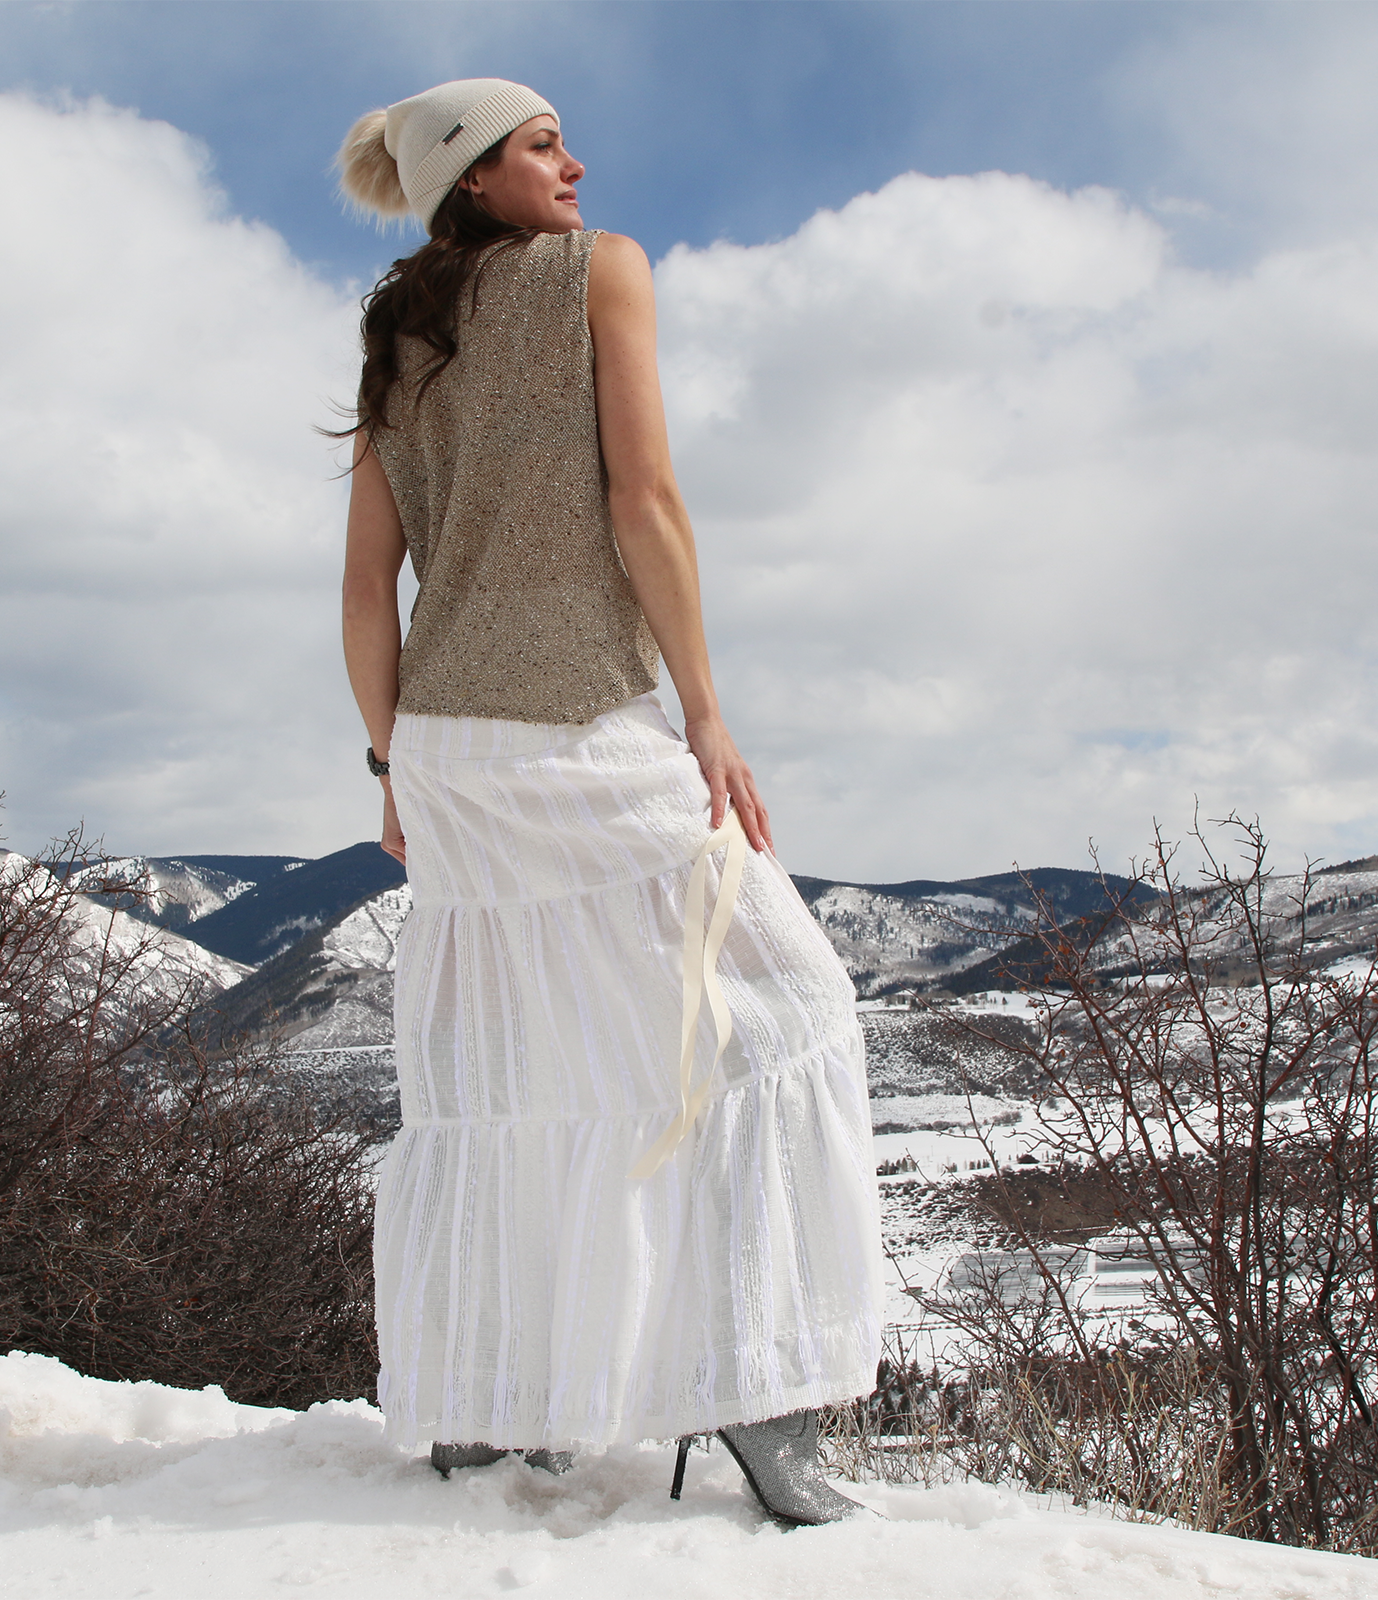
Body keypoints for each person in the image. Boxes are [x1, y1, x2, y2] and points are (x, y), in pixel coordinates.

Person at [334, 79, 884, 1526]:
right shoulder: (604, 272)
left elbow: (363, 582)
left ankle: (490, 1404)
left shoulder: (400, 328)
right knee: (787, 1010)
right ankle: (761, 1397)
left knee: (511, 1075)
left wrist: (393, 762)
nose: (574, 166)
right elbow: (646, 501)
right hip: (578, 719)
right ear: (470, 180)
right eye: (538, 147)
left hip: (447, 745)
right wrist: (705, 708)